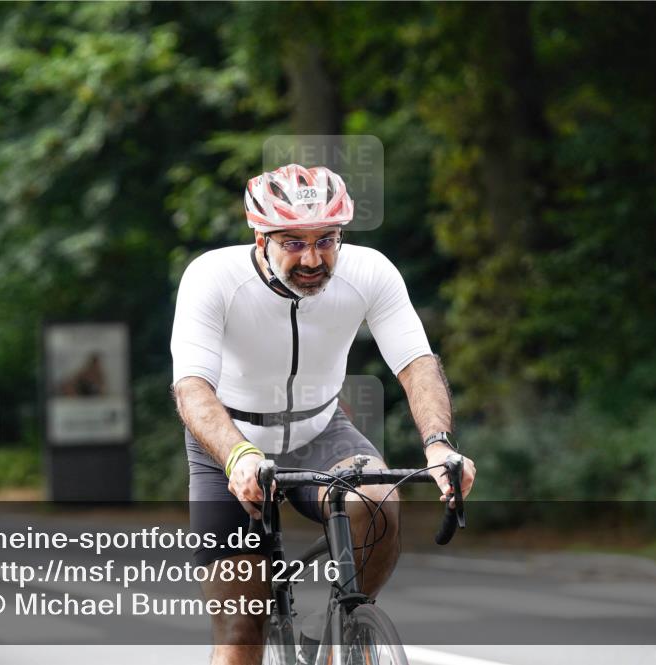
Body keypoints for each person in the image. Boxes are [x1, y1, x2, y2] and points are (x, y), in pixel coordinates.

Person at [171, 164, 476, 665]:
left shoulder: (370, 271)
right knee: (241, 628)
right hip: (229, 440)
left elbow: (417, 363)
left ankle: (347, 629)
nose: (312, 258)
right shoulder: (212, 277)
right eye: (292, 242)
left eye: (326, 240)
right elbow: (192, 388)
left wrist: (439, 443)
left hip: (320, 429)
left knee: (376, 498)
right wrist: (237, 456)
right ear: (259, 235)